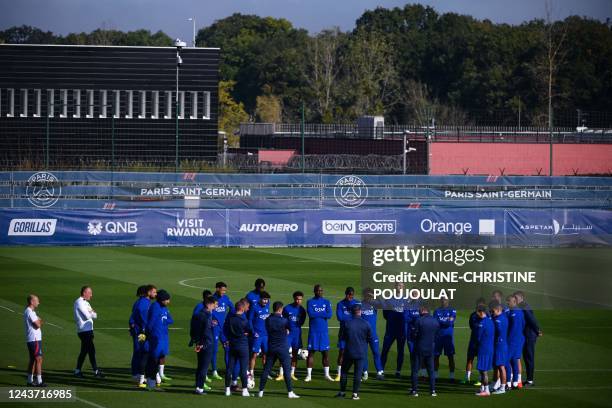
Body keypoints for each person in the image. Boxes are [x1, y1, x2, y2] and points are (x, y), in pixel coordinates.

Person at [257, 301, 300, 399]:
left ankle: (260, 391)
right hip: (282, 348)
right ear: (280, 309)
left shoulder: (268, 320)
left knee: (266, 370)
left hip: (271, 347)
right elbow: (289, 329)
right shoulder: (284, 320)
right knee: (286, 370)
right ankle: (290, 392)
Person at [335, 304, 371, 400]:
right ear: (360, 312)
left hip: (349, 352)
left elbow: (342, 337)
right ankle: (355, 394)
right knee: (358, 374)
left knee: (344, 372)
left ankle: (342, 392)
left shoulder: (347, 323)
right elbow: (369, 338)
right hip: (361, 352)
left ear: (351, 312)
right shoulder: (366, 323)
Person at [145, 289, 173, 390]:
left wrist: (164, 320)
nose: (168, 302)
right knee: (153, 360)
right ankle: (150, 383)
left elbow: (171, 319)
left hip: (163, 337)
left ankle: (153, 382)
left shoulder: (164, 308)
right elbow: (150, 323)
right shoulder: (155, 307)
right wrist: (147, 335)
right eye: (167, 300)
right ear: (162, 299)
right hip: (156, 337)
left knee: (158, 359)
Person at [129, 284, 156, 388]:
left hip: (139, 330)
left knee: (139, 351)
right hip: (140, 332)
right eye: (154, 292)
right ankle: (137, 374)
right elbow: (141, 313)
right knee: (140, 351)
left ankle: (137, 374)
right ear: (148, 293)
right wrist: (145, 326)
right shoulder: (144, 302)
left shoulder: (143, 302)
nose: (155, 294)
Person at [305, 284, 333, 382]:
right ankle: (309, 375)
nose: (319, 292)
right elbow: (311, 314)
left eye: (321, 290)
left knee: (325, 353)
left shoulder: (326, 301)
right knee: (311, 353)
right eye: (317, 291)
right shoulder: (310, 302)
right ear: (314, 291)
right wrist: (323, 314)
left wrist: (318, 314)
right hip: (314, 332)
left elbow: (329, 315)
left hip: (324, 332)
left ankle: (327, 374)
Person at [410, 305, 440, 397]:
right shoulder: (435, 321)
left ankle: (415, 391)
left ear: (423, 310)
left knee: (415, 370)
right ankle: (433, 391)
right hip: (430, 348)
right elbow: (437, 334)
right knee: (431, 371)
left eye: (419, 309)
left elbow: (414, 335)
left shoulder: (419, 320)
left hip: (419, 348)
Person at [73, 286, 103, 378]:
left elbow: (95, 315)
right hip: (84, 331)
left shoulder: (86, 303)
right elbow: (87, 316)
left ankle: (81, 370)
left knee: (87, 351)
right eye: (90, 293)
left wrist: (91, 313)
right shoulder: (79, 302)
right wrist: (91, 313)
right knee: (89, 351)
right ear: (84, 293)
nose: (91, 295)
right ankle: (93, 371)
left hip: (88, 331)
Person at [224, 300, 251, 397]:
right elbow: (250, 330)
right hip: (243, 346)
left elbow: (225, 330)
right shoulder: (244, 320)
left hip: (232, 345)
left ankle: (227, 389)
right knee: (243, 369)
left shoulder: (230, 319)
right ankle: (244, 390)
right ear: (242, 308)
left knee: (229, 368)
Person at [514, 291, 542, 387]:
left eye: (516, 298)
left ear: (521, 298)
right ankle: (528, 379)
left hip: (529, 335)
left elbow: (531, 319)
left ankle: (530, 381)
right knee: (527, 357)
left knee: (529, 357)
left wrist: (538, 330)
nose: (515, 300)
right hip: (527, 335)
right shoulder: (523, 306)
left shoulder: (523, 306)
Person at [380, 282, 407, 377]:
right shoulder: (388, 300)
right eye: (397, 285)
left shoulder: (406, 300)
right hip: (390, 330)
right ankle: (381, 370)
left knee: (400, 351)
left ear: (403, 287)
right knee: (385, 350)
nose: (399, 287)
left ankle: (398, 371)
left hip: (401, 331)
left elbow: (407, 316)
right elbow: (385, 315)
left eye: (401, 285)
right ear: (394, 287)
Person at [279, 291, 306, 381]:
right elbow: (283, 320)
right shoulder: (287, 308)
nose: (298, 301)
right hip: (288, 334)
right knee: (284, 353)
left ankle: (292, 373)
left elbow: (302, 321)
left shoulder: (302, 310)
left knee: (295, 354)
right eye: (297, 299)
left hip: (297, 334)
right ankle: (281, 374)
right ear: (294, 298)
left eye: (300, 299)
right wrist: (286, 328)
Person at [210, 282, 234, 380]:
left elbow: (232, 308)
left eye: (225, 290)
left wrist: (228, 319)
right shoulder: (212, 299)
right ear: (217, 289)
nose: (224, 292)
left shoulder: (226, 298)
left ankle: (229, 370)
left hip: (224, 328)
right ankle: (214, 371)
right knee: (214, 349)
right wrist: (211, 320)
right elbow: (207, 310)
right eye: (222, 290)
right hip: (214, 328)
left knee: (228, 348)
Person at [193, 296, 216, 395]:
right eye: (214, 304)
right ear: (208, 304)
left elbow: (196, 329)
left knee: (200, 366)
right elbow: (206, 331)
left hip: (200, 343)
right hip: (206, 344)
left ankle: (198, 386)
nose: (215, 306)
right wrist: (203, 344)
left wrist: (197, 342)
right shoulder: (206, 316)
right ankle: (200, 388)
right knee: (204, 367)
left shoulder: (199, 314)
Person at [335, 287, 358, 381]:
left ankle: (357, 374)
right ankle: (339, 374)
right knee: (342, 352)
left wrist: (348, 317)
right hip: (343, 332)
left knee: (356, 353)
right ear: (346, 294)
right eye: (349, 294)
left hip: (354, 332)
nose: (350, 296)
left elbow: (358, 316)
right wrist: (351, 317)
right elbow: (340, 317)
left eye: (352, 295)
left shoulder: (357, 303)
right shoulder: (340, 304)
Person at [361, 288, 384, 380]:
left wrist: (376, 296)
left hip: (373, 334)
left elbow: (383, 305)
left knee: (376, 352)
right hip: (363, 334)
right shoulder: (360, 304)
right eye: (367, 294)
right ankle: (365, 372)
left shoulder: (374, 304)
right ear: (364, 295)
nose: (369, 296)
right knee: (364, 353)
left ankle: (379, 371)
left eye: (370, 295)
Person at [248, 291, 271, 385]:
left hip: (266, 335)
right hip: (257, 336)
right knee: (254, 354)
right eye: (264, 299)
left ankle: (265, 372)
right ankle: (251, 372)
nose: (265, 301)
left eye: (267, 300)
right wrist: (253, 332)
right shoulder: (254, 307)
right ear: (260, 299)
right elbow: (249, 320)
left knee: (266, 354)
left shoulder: (267, 306)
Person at [462, 297, 486, 385]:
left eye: (481, 304)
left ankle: (480, 379)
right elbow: (471, 326)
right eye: (478, 304)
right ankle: (467, 378)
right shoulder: (473, 315)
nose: (479, 306)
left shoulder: (486, 315)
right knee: (469, 359)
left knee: (480, 360)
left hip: (482, 342)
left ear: (484, 305)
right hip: (473, 341)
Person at [24, 294, 45, 387]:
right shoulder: (30, 312)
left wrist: (39, 320)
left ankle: (29, 380)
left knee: (33, 359)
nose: (38, 303)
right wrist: (40, 321)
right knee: (38, 359)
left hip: (32, 339)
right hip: (34, 339)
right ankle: (39, 381)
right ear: (32, 302)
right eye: (37, 301)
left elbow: (39, 321)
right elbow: (38, 324)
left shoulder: (30, 311)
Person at [433, 298, 456, 381]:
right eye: (442, 299)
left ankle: (452, 376)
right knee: (436, 356)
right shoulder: (436, 311)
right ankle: (435, 375)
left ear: (448, 300)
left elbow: (450, 323)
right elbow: (435, 323)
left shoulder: (452, 310)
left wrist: (441, 322)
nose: (443, 301)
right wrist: (446, 321)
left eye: (445, 300)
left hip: (448, 338)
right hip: (438, 337)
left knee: (450, 357)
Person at [506, 294, 525, 389]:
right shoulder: (519, 312)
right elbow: (523, 325)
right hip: (519, 340)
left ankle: (508, 382)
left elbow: (511, 329)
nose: (507, 303)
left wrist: (507, 340)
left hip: (512, 341)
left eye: (508, 301)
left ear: (514, 302)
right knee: (515, 360)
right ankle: (516, 382)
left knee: (506, 361)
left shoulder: (513, 313)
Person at [475, 304, 494, 397]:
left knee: (483, 371)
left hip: (483, 348)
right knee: (483, 369)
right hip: (489, 348)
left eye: (477, 312)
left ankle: (486, 390)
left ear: (481, 312)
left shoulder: (482, 323)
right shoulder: (490, 321)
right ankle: (482, 388)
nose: (476, 314)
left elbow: (478, 337)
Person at [491, 302, 509, 394]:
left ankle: (502, 387)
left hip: (500, 345)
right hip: (498, 344)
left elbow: (497, 332)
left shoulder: (499, 320)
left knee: (501, 366)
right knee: (496, 366)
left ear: (498, 310)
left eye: (493, 311)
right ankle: (494, 384)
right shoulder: (498, 318)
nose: (492, 313)